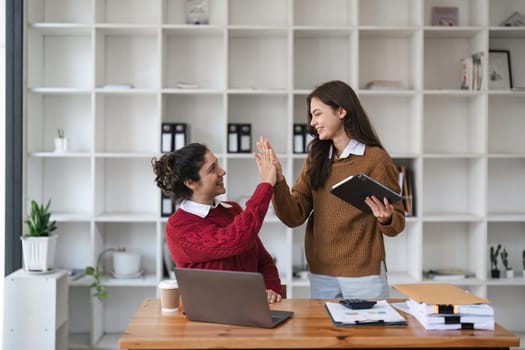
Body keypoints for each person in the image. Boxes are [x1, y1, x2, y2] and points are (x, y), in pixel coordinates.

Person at [257, 80, 405, 300]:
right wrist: (277, 181)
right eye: (311, 116)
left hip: (363, 275)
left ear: (341, 111)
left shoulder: (375, 159)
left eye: (318, 114)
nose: (313, 122)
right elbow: (294, 216)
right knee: (325, 333)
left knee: (367, 333)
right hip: (321, 273)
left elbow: (398, 222)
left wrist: (385, 219)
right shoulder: (316, 159)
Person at [152, 143, 283, 303]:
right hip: (207, 318)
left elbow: (263, 260)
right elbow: (232, 240)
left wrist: (271, 288)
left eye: (218, 164)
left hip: (250, 308)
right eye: (212, 169)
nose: (222, 172)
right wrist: (266, 185)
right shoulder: (178, 226)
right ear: (191, 183)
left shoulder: (233, 210)